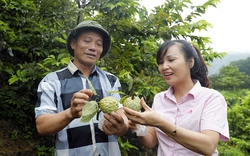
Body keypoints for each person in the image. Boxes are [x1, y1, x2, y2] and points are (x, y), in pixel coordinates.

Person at [35, 20, 129, 156]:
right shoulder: (52, 81)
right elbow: (42, 126)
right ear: (73, 43)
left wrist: (120, 126)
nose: (93, 48)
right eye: (87, 41)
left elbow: (123, 121)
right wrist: (70, 113)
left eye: (99, 44)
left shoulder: (111, 80)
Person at [123, 40, 229, 156]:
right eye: (160, 62)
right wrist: (139, 127)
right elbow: (151, 142)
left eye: (171, 60)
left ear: (190, 62)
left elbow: (208, 146)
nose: (164, 67)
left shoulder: (211, 98)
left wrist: (161, 123)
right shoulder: (159, 99)